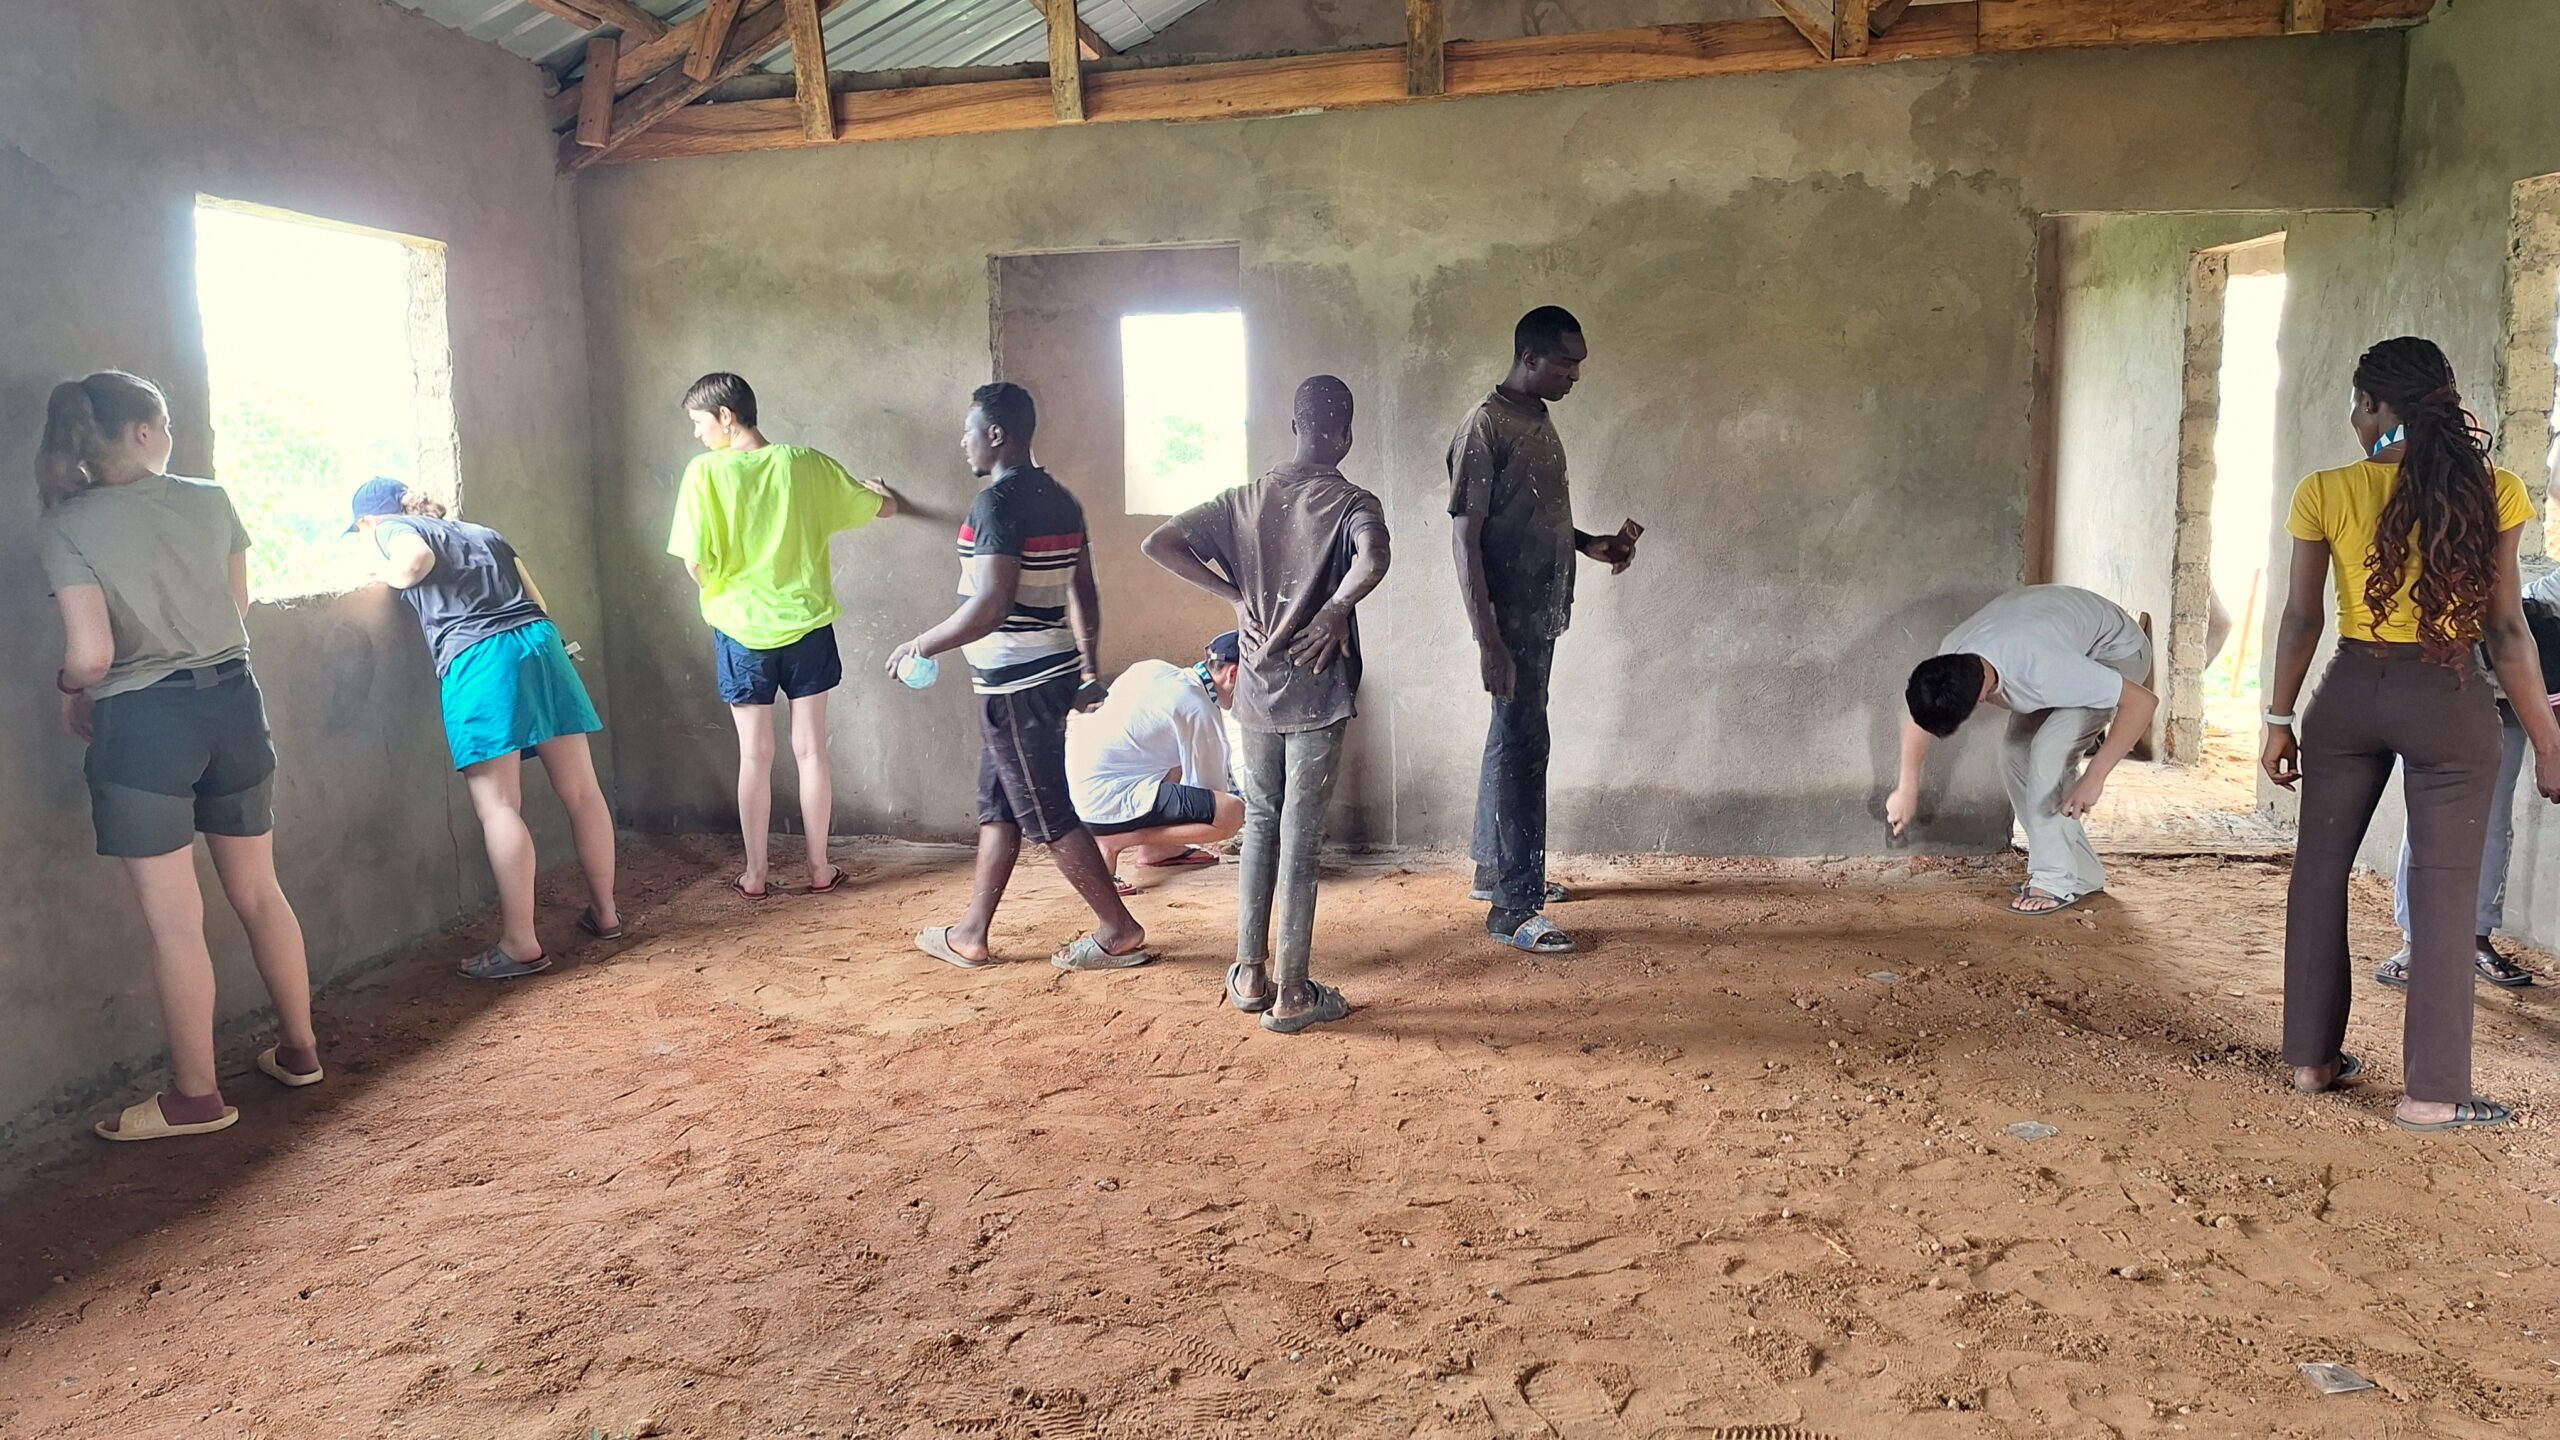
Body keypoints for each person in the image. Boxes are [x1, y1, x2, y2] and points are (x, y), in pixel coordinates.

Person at [2263, 336, 2560, 1133]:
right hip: (2449, 696)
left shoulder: (2324, 491)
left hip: (2349, 694)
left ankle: (2311, 1060)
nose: (2356, 421)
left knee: (2318, 873)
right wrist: (2550, 743)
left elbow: (2301, 618)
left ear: (2374, 407)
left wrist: (2277, 718)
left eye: (2360, 406)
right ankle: (2432, 1093)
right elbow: (2506, 632)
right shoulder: (2492, 491)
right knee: (2444, 892)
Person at [36, 371, 322, 1141]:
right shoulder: (209, 498)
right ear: (142, 432)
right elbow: (237, 608)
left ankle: (197, 1097)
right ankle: (299, 1050)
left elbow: (92, 657)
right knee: (261, 892)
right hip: (234, 702)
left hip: (144, 721)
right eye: (163, 424)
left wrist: (68, 688)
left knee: (175, 921)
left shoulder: (68, 523)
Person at [1146, 375, 1392, 1032]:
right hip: (1319, 686)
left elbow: (1159, 541)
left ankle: (1250, 974)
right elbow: (1376, 556)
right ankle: (1293, 996)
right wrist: (1338, 605)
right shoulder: (1351, 500)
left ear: (1293, 426)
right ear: (1344, 435)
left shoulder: (1243, 500)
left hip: (1255, 689)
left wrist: (1231, 595)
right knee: (1300, 839)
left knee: (1261, 825)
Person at [890, 382, 1149, 973]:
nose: (964, 442)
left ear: (997, 434)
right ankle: (971, 934)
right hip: (1048, 675)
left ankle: (1118, 929)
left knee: (1047, 812)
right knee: (1000, 804)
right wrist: (1087, 667)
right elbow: (1083, 589)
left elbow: (993, 604)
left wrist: (920, 642)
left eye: (970, 430)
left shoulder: (997, 505)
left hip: (1017, 689)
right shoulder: (1060, 499)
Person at [349, 478, 621, 979]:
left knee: (499, 807)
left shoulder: (393, 530)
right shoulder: (481, 531)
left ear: (370, 520)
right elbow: (539, 601)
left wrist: (380, 567)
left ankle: (521, 944)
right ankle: (605, 913)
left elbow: (414, 564)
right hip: (541, 646)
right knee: (583, 792)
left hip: (481, 657)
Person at [1450, 307, 1637, 955]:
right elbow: (1465, 542)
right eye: (1567, 362)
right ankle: (1514, 907)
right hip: (1510, 624)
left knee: (1511, 741)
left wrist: (1591, 545)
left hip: (1541, 614)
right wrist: (1488, 641)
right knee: (1526, 751)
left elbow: (1529, 518)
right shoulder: (1486, 427)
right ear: (1529, 358)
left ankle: (1493, 870)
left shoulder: (1535, 418)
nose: (1576, 375)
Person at [668, 373, 897, 899]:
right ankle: (820, 869)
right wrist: (883, 494)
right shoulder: (804, 463)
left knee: (755, 755)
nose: (698, 435)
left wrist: (727, 596)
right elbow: (882, 508)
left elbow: (694, 562)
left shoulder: (702, 475)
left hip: (739, 631)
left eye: (700, 423)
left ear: (726, 415)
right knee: (811, 750)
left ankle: (755, 875)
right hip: (808, 625)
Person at [1889, 586, 2158, 915]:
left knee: (2048, 755)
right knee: (2014, 754)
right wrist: (1906, 790)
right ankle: (2082, 873)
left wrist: (2095, 776)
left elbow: (2142, 702)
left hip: (2115, 653)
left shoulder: (2045, 672)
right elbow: (1918, 725)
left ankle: (2055, 879)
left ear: (1980, 699)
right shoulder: (1951, 658)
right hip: (2056, 637)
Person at [2377, 569, 2560, 991]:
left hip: (2515, 701)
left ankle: (2477, 940)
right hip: (2453, 685)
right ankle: (2416, 943)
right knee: (2432, 816)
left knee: (2494, 824)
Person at [1068, 634, 1245, 891]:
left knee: (1171, 751)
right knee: (1231, 813)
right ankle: (1116, 840)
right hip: (1104, 806)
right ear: (1233, 674)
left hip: (1079, 791)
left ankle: (1158, 849)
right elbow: (1212, 795)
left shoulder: (1155, 668)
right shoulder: (1199, 710)